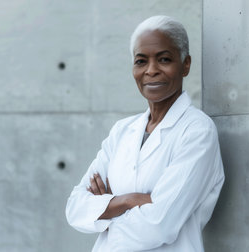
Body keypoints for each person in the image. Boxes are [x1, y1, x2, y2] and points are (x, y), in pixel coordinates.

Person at [65, 15, 224, 252]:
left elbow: (158, 225)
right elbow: (75, 209)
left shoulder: (197, 131)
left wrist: (104, 212)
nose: (151, 71)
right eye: (141, 61)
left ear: (186, 65)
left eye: (164, 59)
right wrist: (129, 200)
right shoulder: (122, 132)